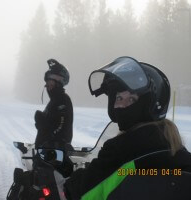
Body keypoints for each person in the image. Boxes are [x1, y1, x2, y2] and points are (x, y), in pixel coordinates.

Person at [64, 56, 191, 199]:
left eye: (131, 99)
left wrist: (70, 181)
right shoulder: (178, 151)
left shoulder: (119, 151)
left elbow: (83, 193)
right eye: (118, 98)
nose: (120, 106)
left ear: (148, 104)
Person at [34, 59, 73, 148]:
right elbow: (51, 124)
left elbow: (61, 129)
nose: (49, 85)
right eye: (48, 83)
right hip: (46, 151)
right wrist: (41, 124)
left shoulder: (63, 100)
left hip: (54, 154)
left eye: (54, 79)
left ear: (60, 81)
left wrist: (44, 127)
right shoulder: (54, 101)